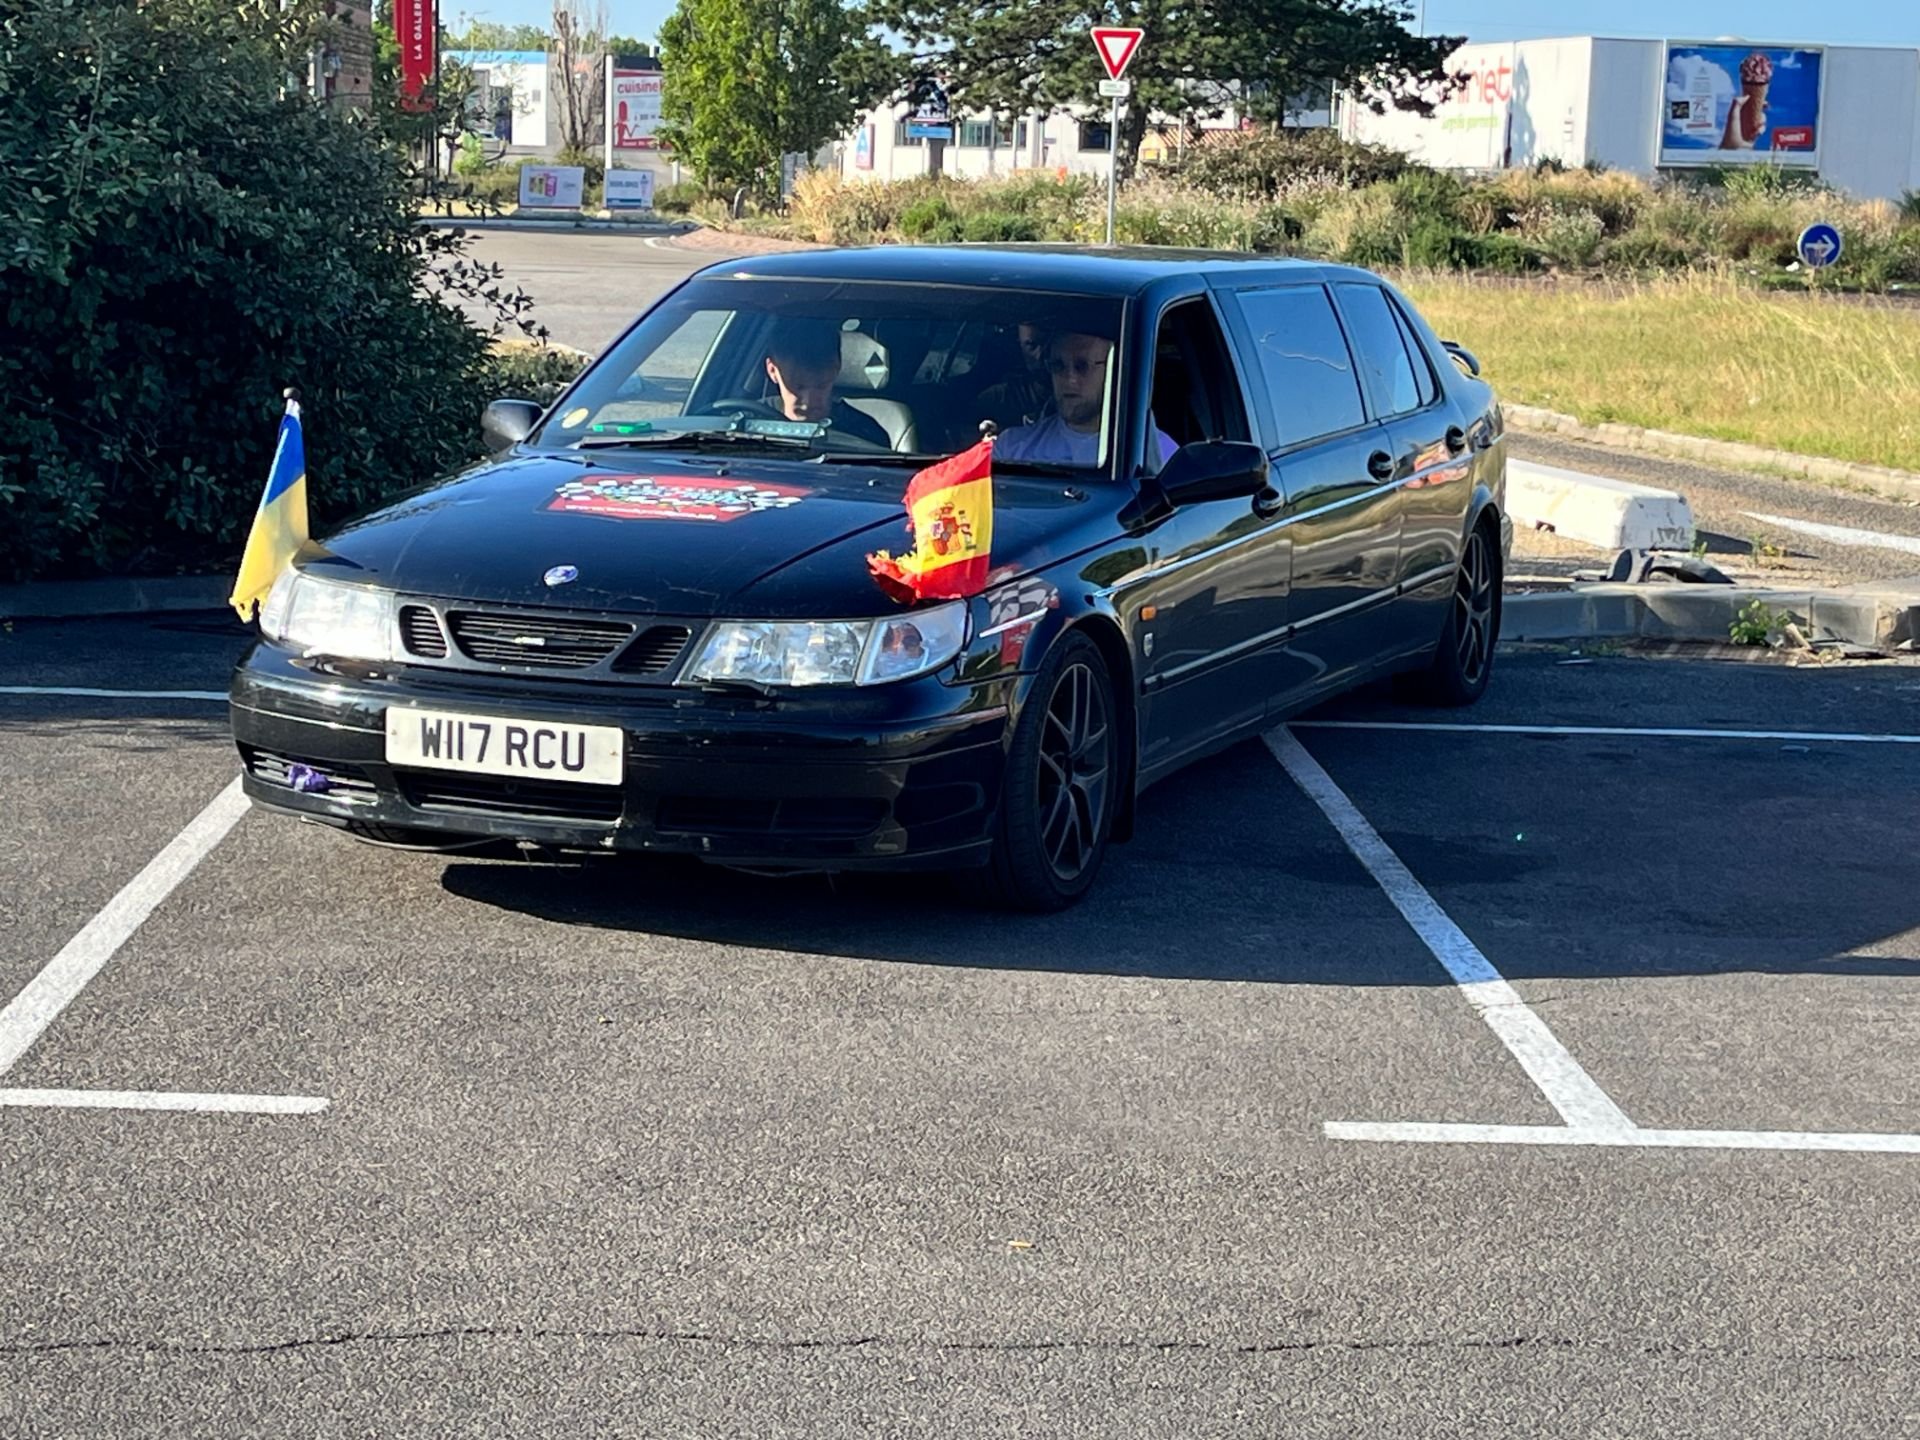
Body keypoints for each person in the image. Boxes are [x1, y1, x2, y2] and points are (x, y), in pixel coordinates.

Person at [995, 332, 1177, 468]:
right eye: (1058, 365)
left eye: (1083, 366)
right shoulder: (1010, 450)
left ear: (1114, 370)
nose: (1070, 378)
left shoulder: (1159, 456)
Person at [762, 322, 891, 448]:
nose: (808, 402)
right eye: (798, 387)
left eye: (821, 386)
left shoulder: (866, 435)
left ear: (836, 369)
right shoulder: (747, 422)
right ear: (772, 370)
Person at [976, 322, 1053, 431]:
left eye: (1048, 344)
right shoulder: (997, 399)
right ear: (1019, 345)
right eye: (1031, 345)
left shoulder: (1076, 398)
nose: (1041, 354)